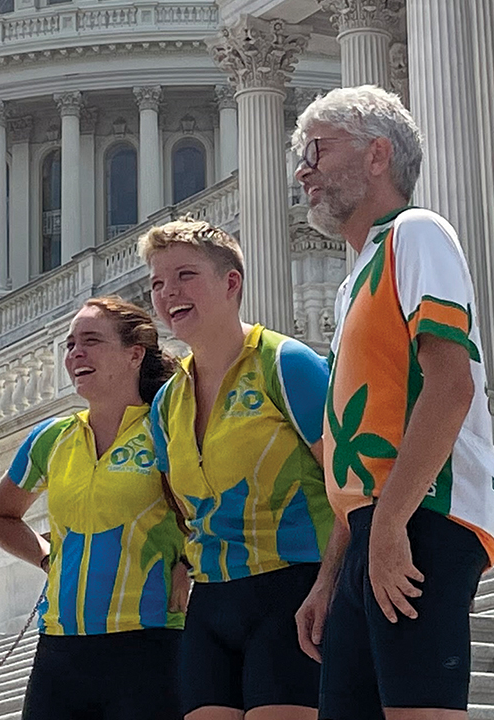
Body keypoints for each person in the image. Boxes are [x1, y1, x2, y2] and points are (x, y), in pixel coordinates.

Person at [292, 85, 494, 720]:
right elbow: (350, 447)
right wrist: (331, 575)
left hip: (423, 516)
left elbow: (451, 385)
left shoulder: (418, 234)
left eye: (317, 150)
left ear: (378, 154)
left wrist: (388, 528)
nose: (303, 169)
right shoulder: (354, 278)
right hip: (374, 528)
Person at [142, 216, 336, 720]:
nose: (168, 293)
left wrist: (330, 582)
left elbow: (353, 488)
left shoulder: (286, 363)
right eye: (157, 283)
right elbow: (181, 506)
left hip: (293, 586)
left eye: (185, 275)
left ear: (231, 283)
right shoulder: (165, 403)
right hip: (211, 603)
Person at [0, 297, 186, 720]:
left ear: (134, 354)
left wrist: (188, 561)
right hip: (61, 646)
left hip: (151, 639)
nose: (75, 353)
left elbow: (212, 506)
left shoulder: (167, 428)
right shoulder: (51, 437)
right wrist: (44, 557)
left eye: (91, 341)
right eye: (70, 344)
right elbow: (1, 516)